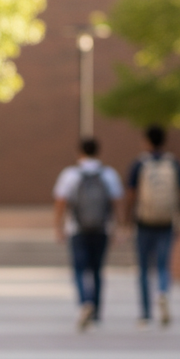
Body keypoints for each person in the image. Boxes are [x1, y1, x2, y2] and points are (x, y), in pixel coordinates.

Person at [53, 139, 123, 330]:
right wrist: (119, 228)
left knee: (79, 269)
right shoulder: (109, 174)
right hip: (102, 228)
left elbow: (61, 202)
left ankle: (85, 302)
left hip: (77, 229)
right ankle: (97, 311)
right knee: (97, 271)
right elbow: (117, 203)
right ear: (98, 152)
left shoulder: (70, 175)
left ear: (79, 152)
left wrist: (58, 227)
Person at [125, 125, 180, 326]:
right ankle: (163, 292)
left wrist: (128, 219)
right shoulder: (174, 163)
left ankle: (145, 314)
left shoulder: (139, 164)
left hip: (144, 221)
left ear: (146, 141)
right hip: (167, 221)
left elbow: (131, 194)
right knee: (163, 265)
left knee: (143, 268)